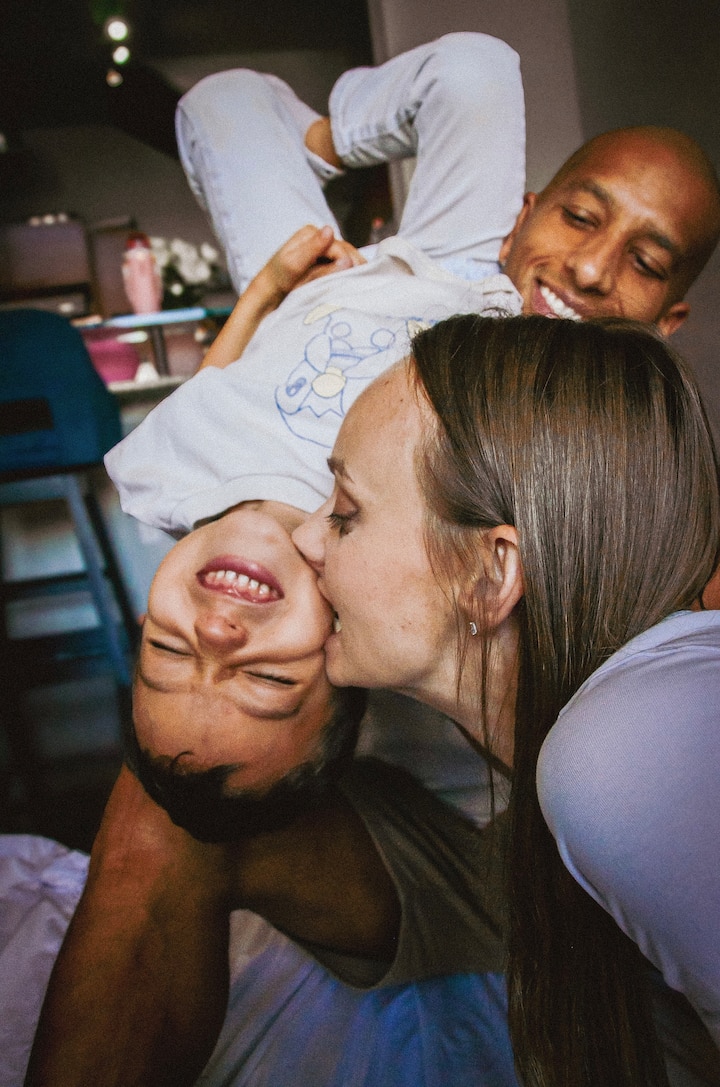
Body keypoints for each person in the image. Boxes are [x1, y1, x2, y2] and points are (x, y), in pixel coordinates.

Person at [289, 313, 720, 1086]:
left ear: (490, 576)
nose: (306, 537)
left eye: (346, 514)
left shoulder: (624, 754)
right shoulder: (603, 732)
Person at [103, 33, 720, 540]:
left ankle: (304, 143)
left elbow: (204, 415)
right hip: (465, 275)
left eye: (645, 264)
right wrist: (273, 289)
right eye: (580, 218)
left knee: (223, 101)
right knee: (476, 66)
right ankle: (322, 144)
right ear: (521, 219)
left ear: (666, 323)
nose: (591, 269)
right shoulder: (515, 260)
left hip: (304, 317)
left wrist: (275, 301)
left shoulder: (604, 445)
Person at [13, 499, 516, 1087]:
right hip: (390, 781)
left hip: (511, 826)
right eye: (166, 647)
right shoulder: (213, 502)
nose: (214, 631)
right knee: (184, 781)